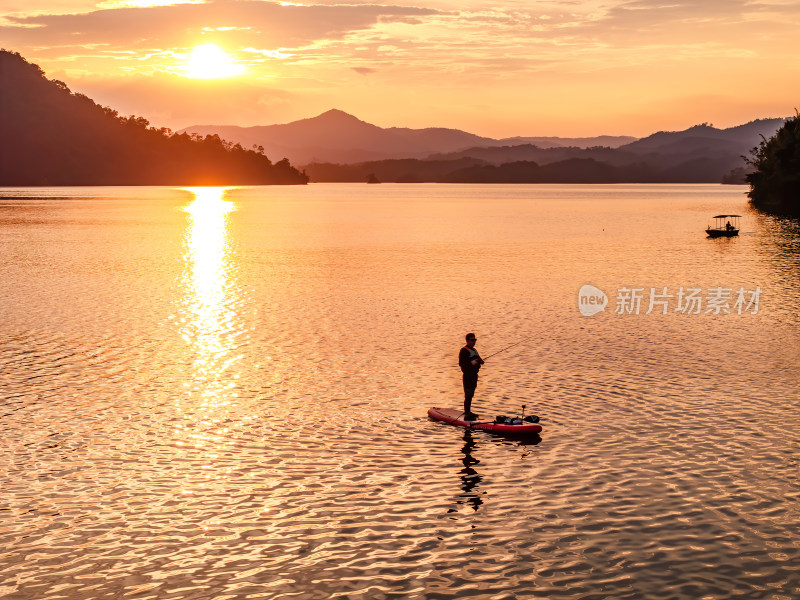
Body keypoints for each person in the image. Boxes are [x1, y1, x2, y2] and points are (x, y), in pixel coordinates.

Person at [459, 333, 484, 420]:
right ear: (467, 340)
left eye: (475, 340)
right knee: (468, 394)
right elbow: (462, 364)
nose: (474, 342)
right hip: (468, 376)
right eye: (472, 340)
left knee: (471, 394)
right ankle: (466, 414)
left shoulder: (474, 350)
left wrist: (480, 361)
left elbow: (480, 360)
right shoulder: (464, 351)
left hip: (474, 375)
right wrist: (471, 363)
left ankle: (469, 411)